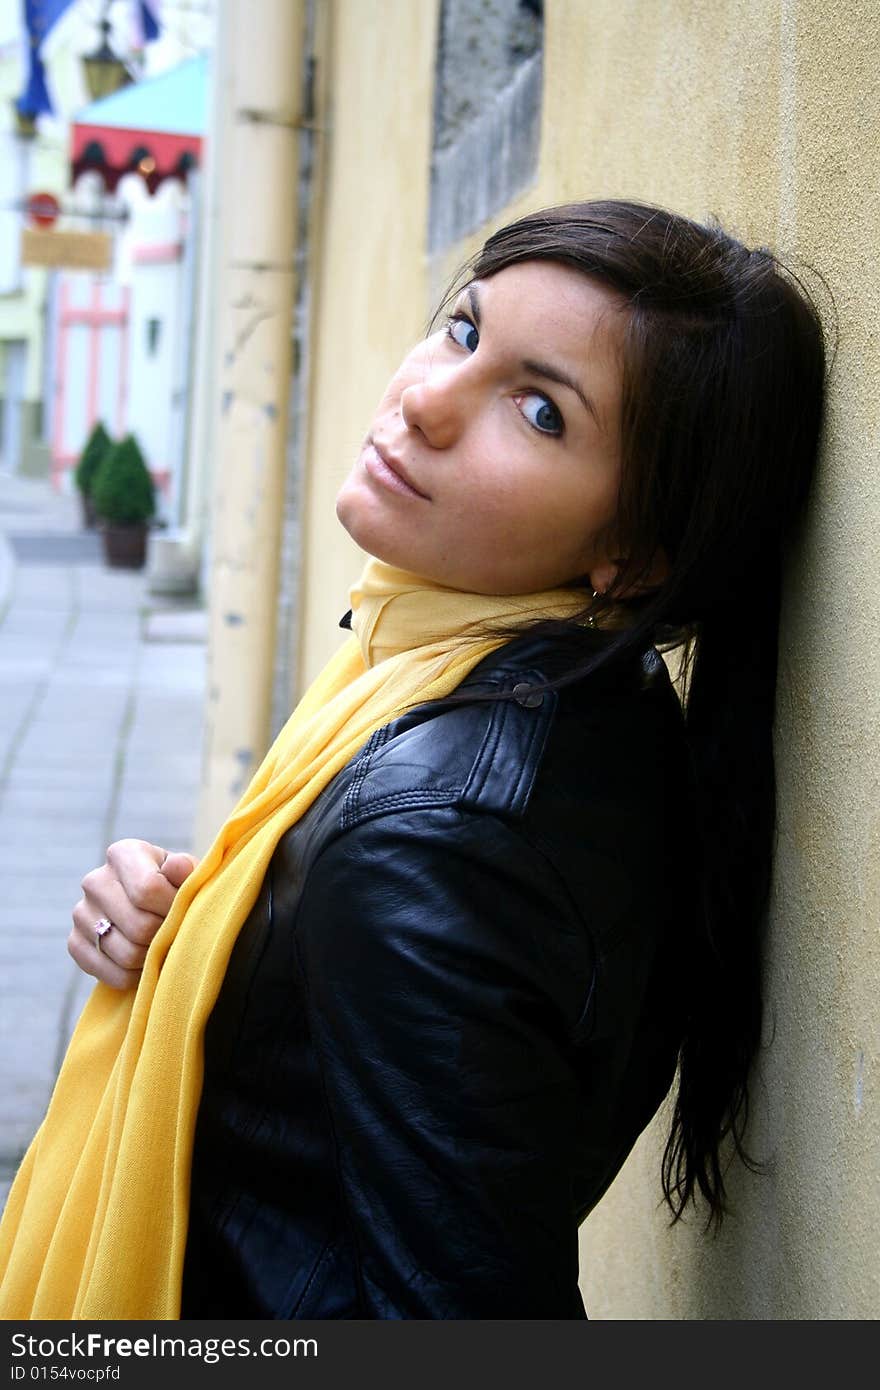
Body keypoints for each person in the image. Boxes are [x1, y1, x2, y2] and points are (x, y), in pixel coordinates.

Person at [0, 199, 826, 1320]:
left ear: (630, 556)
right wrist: (216, 926)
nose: (426, 401)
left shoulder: (439, 843)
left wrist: (342, 886)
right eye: (462, 330)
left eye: (539, 411)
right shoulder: (554, 702)